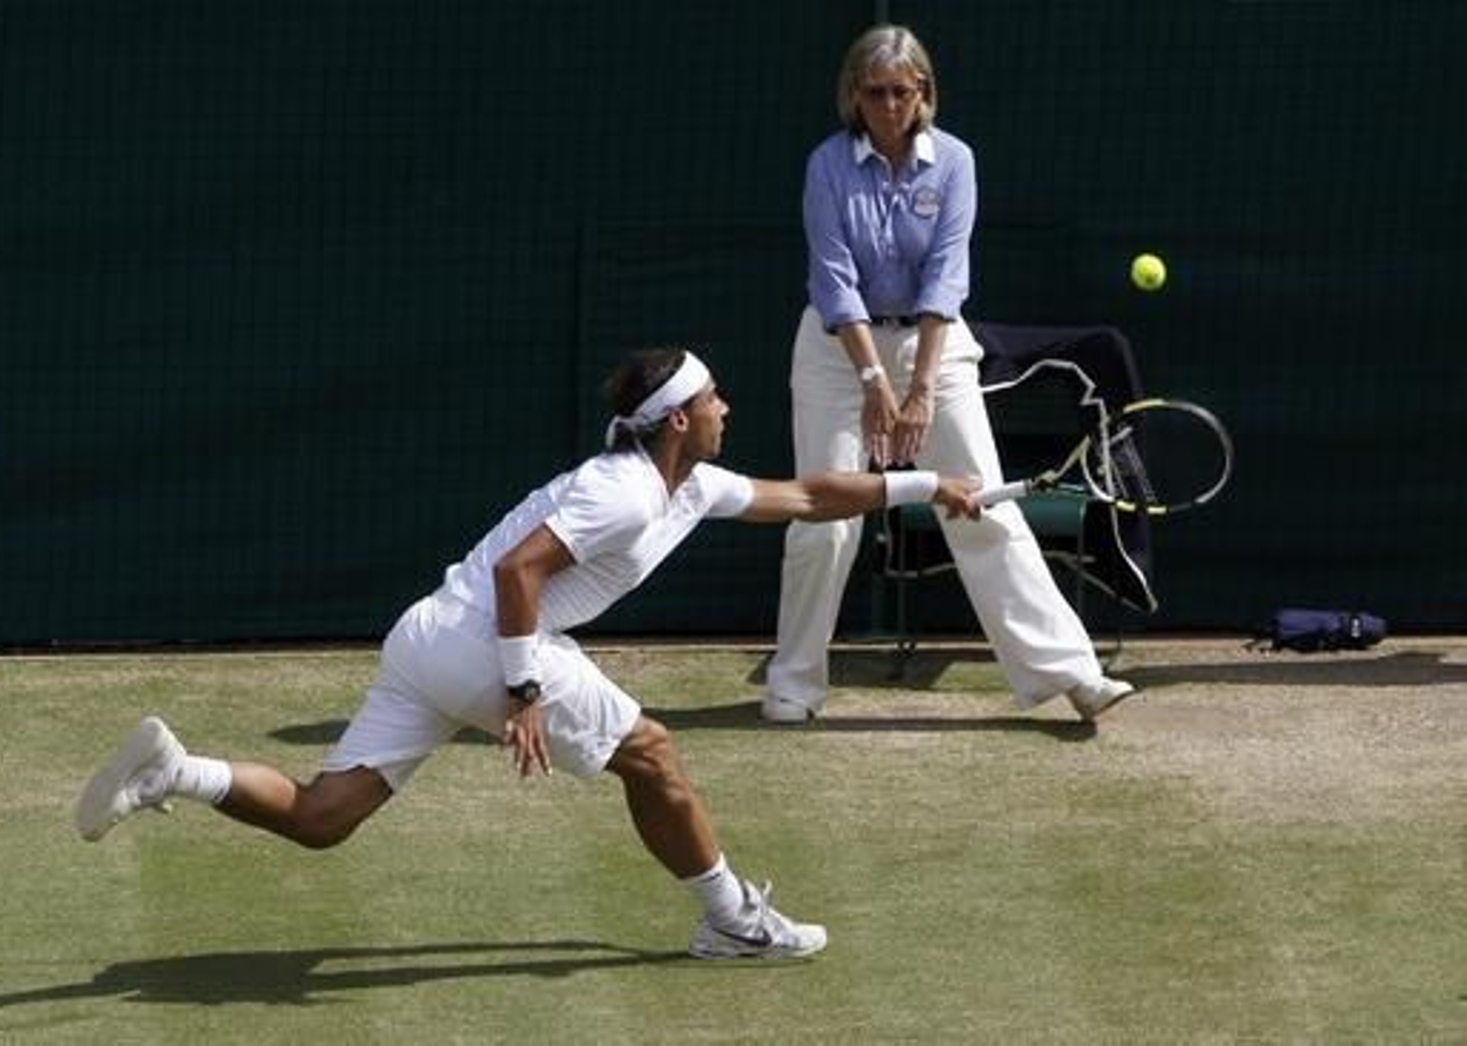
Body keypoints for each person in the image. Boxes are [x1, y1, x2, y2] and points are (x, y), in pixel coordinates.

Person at [75, 347, 980, 961]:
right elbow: (520, 571)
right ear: (677, 420)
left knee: (324, 816)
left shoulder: (690, 484)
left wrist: (927, 483)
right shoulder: (623, 493)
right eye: (713, 400)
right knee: (652, 754)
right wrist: (522, 690)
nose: (725, 408)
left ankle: (176, 771)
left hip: (427, 636)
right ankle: (732, 920)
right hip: (490, 643)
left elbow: (809, 496)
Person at [764, 24, 1134, 725]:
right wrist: (875, 382)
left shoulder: (955, 161)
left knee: (981, 503)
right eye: (875, 93)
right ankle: (793, 684)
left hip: (934, 346)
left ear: (924, 92)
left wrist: (921, 387)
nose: (889, 106)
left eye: (902, 92)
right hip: (837, 354)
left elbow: (946, 274)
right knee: (826, 519)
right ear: (853, 95)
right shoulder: (827, 165)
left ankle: (1072, 674)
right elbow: (834, 279)